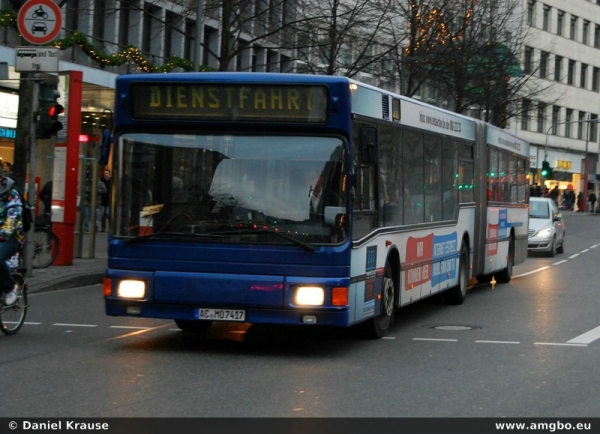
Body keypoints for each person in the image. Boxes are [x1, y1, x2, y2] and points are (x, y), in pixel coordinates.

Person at [0, 171, 25, 306]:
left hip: (12, 237)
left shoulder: (12, 193)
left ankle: (10, 288)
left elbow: (13, 216)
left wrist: (4, 233)